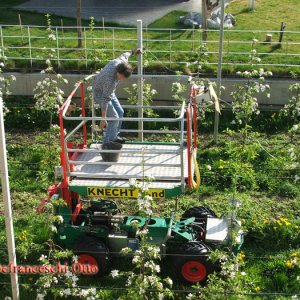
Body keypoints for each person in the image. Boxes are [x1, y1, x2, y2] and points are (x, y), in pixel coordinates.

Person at [93, 48, 141, 145]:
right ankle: (107, 144)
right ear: (118, 72)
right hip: (100, 93)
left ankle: (113, 136)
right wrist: (103, 118)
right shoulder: (109, 80)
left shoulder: (121, 62)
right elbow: (105, 99)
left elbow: (126, 54)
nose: (122, 79)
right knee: (114, 117)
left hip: (109, 92)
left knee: (120, 112)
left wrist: (134, 51)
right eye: (122, 77)